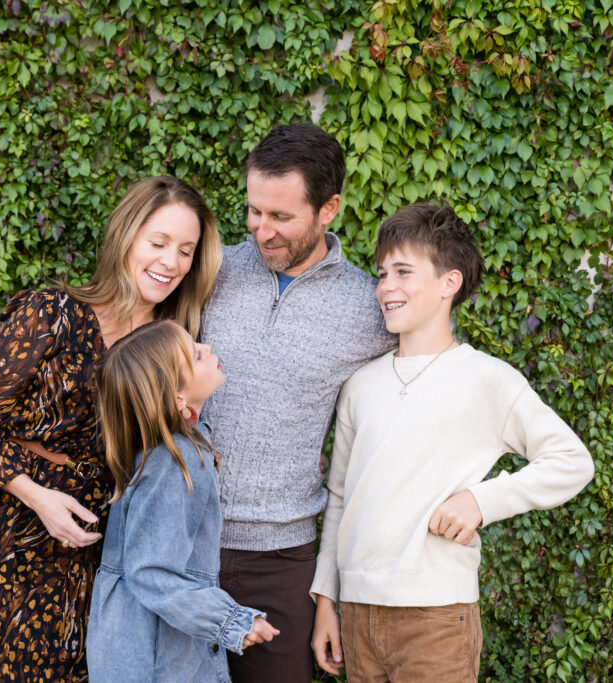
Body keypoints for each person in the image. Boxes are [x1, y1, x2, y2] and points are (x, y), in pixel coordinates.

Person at [0, 176, 222, 683]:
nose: (171, 262)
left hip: (75, 564)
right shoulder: (50, 314)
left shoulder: (173, 347)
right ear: (126, 237)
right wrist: (37, 495)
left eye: (185, 250)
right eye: (158, 242)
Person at [309, 203, 595, 681]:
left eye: (403, 271)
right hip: (357, 615)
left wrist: (480, 501)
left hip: (437, 620)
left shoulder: (487, 379)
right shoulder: (360, 385)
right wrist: (326, 599)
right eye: (382, 273)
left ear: (450, 282)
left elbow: (572, 461)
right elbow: (339, 497)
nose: (386, 286)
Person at [199, 122, 396, 682]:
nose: (262, 231)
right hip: (184, 543)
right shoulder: (211, 269)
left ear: (328, 209)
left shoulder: (368, 307)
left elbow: (428, 380)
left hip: (282, 563)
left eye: (281, 217)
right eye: (254, 211)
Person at [86, 320, 279, 683]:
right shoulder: (176, 459)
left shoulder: (171, 449)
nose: (207, 348)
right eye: (195, 354)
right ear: (178, 399)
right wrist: (230, 621)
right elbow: (151, 572)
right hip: (154, 659)